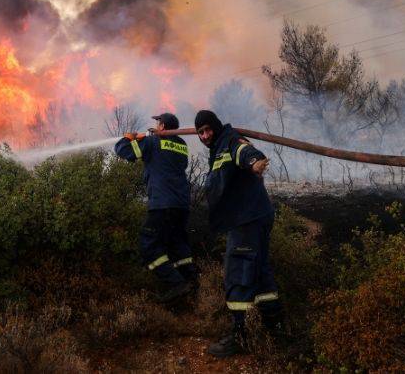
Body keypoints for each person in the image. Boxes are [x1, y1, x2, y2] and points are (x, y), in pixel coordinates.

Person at [194, 109, 282, 358]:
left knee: (238, 274)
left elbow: (244, 151)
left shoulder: (230, 141)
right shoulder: (218, 146)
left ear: (216, 126)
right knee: (260, 272)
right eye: (200, 132)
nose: (205, 135)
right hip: (253, 216)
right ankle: (274, 326)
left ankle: (241, 336)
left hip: (247, 220)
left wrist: (255, 161)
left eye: (208, 129)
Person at [113, 112, 197, 301]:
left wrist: (128, 139)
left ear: (163, 126)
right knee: (178, 245)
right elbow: (165, 156)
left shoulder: (153, 143)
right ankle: (192, 284)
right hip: (181, 205)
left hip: (162, 203)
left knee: (148, 246)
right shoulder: (182, 146)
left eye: (158, 123)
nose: (157, 126)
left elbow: (124, 151)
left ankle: (176, 283)